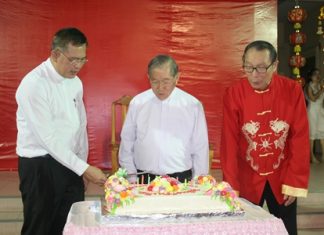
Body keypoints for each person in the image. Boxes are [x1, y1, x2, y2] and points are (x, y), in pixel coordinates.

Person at [16, 27, 107, 235]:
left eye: (83, 60)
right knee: (40, 227)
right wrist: (83, 168)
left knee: (71, 226)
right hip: (41, 167)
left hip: (69, 163)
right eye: (73, 59)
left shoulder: (76, 82)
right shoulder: (34, 84)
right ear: (56, 54)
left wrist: (81, 165)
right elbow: (47, 138)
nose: (78, 66)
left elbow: (80, 124)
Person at [220, 40, 310, 235]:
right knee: (246, 230)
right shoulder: (234, 93)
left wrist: (294, 181)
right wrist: (231, 185)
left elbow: (299, 137)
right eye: (248, 67)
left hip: (282, 176)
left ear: (275, 65)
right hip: (247, 177)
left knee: (286, 229)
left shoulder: (292, 90)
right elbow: (229, 142)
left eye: (261, 68)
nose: (254, 75)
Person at [119, 54, 209, 183]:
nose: (160, 87)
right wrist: (131, 175)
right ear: (148, 78)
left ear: (177, 78)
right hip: (143, 177)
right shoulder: (138, 103)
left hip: (180, 177)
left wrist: (199, 179)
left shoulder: (192, 105)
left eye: (166, 81)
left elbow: (200, 145)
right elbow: (127, 141)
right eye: (155, 81)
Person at [305, 68, 324, 163]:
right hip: (312, 111)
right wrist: (321, 90)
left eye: (318, 74)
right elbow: (313, 99)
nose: (318, 76)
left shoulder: (320, 85)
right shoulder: (309, 86)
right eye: (315, 74)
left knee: (322, 133)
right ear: (311, 77)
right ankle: (311, 156)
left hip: (320, 111)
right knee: (312, 134)